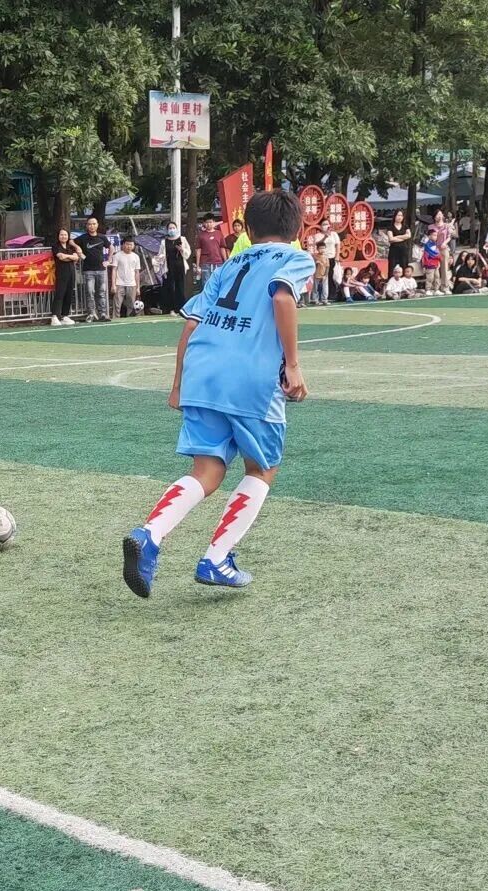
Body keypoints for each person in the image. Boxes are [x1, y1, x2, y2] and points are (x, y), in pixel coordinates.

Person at [121, 190, 313, 597]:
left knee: (206, 471)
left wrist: (178, 384)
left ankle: (149, 534)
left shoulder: (228, 265)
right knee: (261, 469)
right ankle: (216, 558)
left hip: (203, 372)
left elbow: (191, 324)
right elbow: (282, 296)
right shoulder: (296, 258)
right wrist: (293, 365)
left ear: (250, 230)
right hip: (250, 379)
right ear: (297, 229)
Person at [76, 216, 110, 322]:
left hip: (101, 269)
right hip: (88, 270)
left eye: (94, 224)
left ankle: (103, 313)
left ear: (97, 225)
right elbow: (71, 242)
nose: (92, 226)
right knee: (90, 292)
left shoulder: (102, 237)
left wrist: (109, 260)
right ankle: (91, 314)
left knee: (102, 292)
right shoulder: (83, 238)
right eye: (90, 224)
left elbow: (111, 247)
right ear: (87, 226)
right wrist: (78, 249)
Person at [49, 228, 81, 326]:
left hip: (71, 272)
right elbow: (60, 257)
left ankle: (65, 315)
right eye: (61, 235)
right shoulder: (56, 246)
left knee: (69, 294)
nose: (63, 236)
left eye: (65, 235)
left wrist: (67, 256)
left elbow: (76, 257)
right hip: (61, 272)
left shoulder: (70, 247)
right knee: (60, 294)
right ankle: (55, 316)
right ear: (58, 236)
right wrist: (70, 257)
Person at [158, 222, 191, 314]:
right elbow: (161, 254)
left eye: (173, 228)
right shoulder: (164, 242)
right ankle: (171, 308)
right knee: (170, 287)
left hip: (180, 266)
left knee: (180, 287)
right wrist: (160, 258)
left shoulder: (182, 239)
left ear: (176, 229)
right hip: (169, 266)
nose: (172, 230)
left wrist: (182, 250)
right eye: (170, 228)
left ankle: (181, 308)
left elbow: (188, 253)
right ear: (167, 230)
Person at [113, 236, 142, 318]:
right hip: (119, 283)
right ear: (123, 245)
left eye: (131, 244)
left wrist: (138, 287)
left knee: (131, 305)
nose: (129, 246)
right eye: (127, 244)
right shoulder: (117, 255)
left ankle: (131, 320)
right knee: (117, 305)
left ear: (133, 246)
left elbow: (137, 273)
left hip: (132, 284)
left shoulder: (136, 257)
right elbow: (114, 270)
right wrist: (113, 285)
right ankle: (115, 319)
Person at [194, 214, 225, 286]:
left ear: (214, 222)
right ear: (204, 223)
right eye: (207, 222)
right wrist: (198, 265)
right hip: (205, 263)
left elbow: (222, 248)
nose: (209, 224)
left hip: (218, 262)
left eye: (210, 222)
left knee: (218, 283)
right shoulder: (201, 235)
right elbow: (198, 250)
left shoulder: (219, 233)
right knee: (206, 283)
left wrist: (225, 260)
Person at [316, 217, 340, 302]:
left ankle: (332, 295)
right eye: (324, 224)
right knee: (322, 277)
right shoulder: (318, 235)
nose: (326, 226)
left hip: (332, 257)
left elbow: (337, 245)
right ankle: (320, 296)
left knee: (331, 276)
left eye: (327, 224)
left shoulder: (334, 234)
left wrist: (337, 256)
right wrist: (325, 236)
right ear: (320, 226)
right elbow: (318, 244)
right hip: (322, 258)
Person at [431, 209, 452, 292]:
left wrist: (444, 243)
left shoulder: (446, 226)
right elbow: (429, 237)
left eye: (440, 214)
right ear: (434, 217)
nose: (439, 216)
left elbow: (449, 237)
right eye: (437, 215)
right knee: (435, 268)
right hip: (434, 249)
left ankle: (445, 286)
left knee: (444, 268)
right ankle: (435, 287)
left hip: (443, 248)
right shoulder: (431, 226)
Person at [386, 210, 412, 276]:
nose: (400, 217)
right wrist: (403, 237)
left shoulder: (405, 226)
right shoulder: (390, 227)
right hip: (394, 251)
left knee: (404, 267)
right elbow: (391, 239)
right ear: (395, 216)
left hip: (404, 251)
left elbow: (409, 235)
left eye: (401, 215)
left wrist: (396, 237)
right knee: (392, 269)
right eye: (398, 215)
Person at [420, 228, 442, 295]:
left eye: (436, 235)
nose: (436, 237)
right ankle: (428, 289)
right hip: (429, 263)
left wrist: (439, 260)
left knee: (437, 277)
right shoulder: (427, 244)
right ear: (429, 236)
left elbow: (437, 252)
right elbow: (433, 253)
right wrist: (439, 257)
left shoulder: (435, 244)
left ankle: (436, 289)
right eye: (434, 235)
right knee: (430, 277)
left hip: (435, 263)